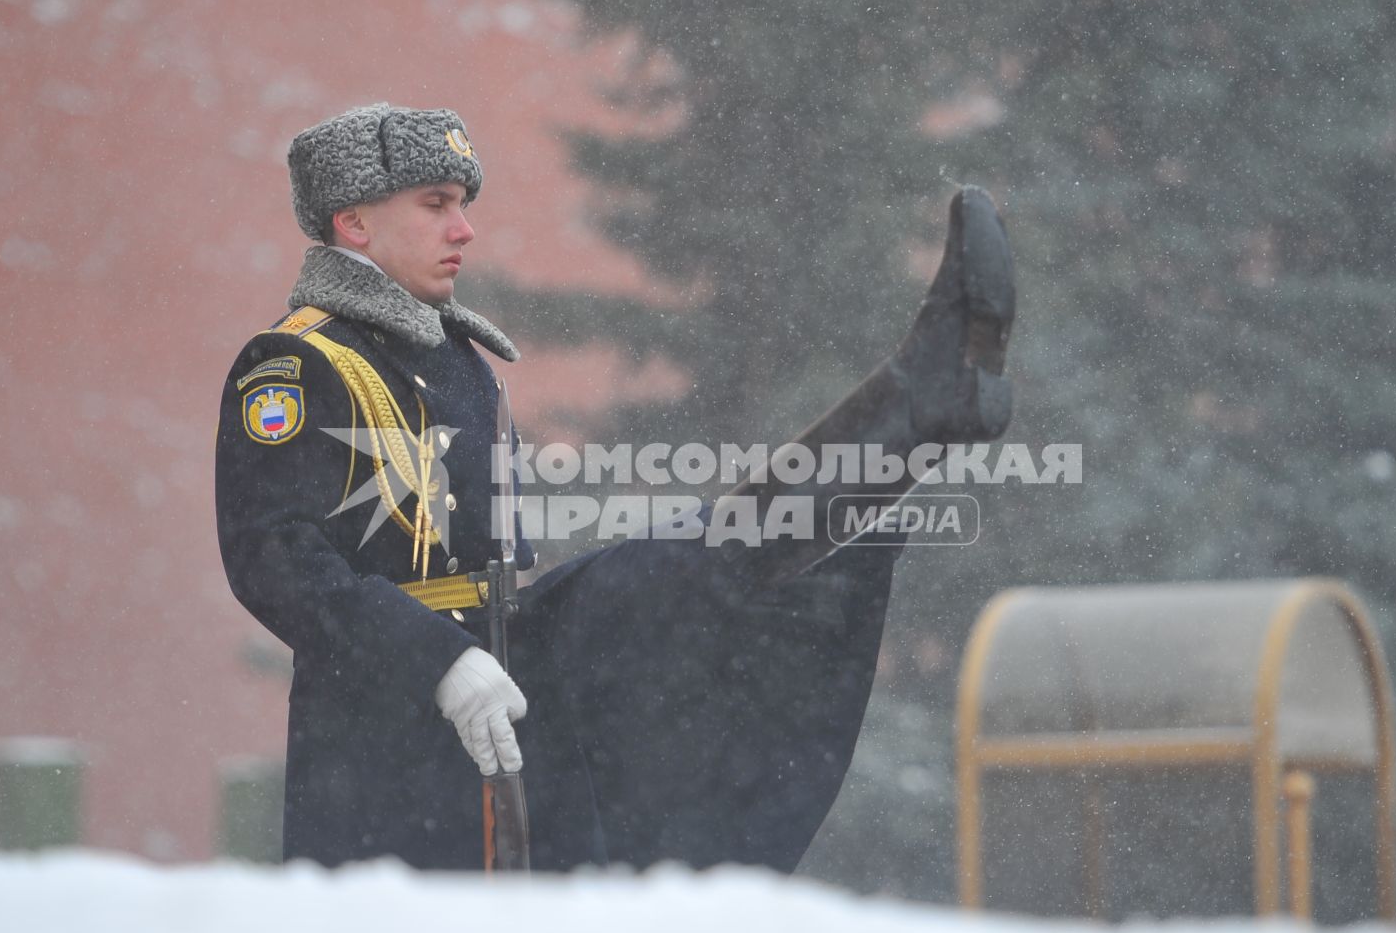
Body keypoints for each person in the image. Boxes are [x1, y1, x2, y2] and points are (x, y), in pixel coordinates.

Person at [215, 102, 1016, 871]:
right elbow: (275, 561)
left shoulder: (449, 352)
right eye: (436, 204)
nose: (465, 228)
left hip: (511, 672)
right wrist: (441, 663)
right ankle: (915, 405)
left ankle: (917, 406)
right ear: (353, 222)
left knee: (705, 559)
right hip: (391, 732)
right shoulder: (297, 364)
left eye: (461, 203)